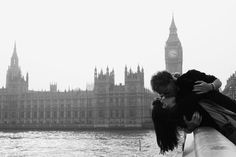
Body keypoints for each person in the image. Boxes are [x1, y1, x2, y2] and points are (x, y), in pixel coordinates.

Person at [150, 69, 236, 154]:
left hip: (229, 113)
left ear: (170, 80)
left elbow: (217, 82)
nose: (164, 96)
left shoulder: (190, 77)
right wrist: (189, 128)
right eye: (162, 95)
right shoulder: (180, 107)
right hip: (227, 127)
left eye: (166, 92)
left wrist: (211, 86)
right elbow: (193, 98)